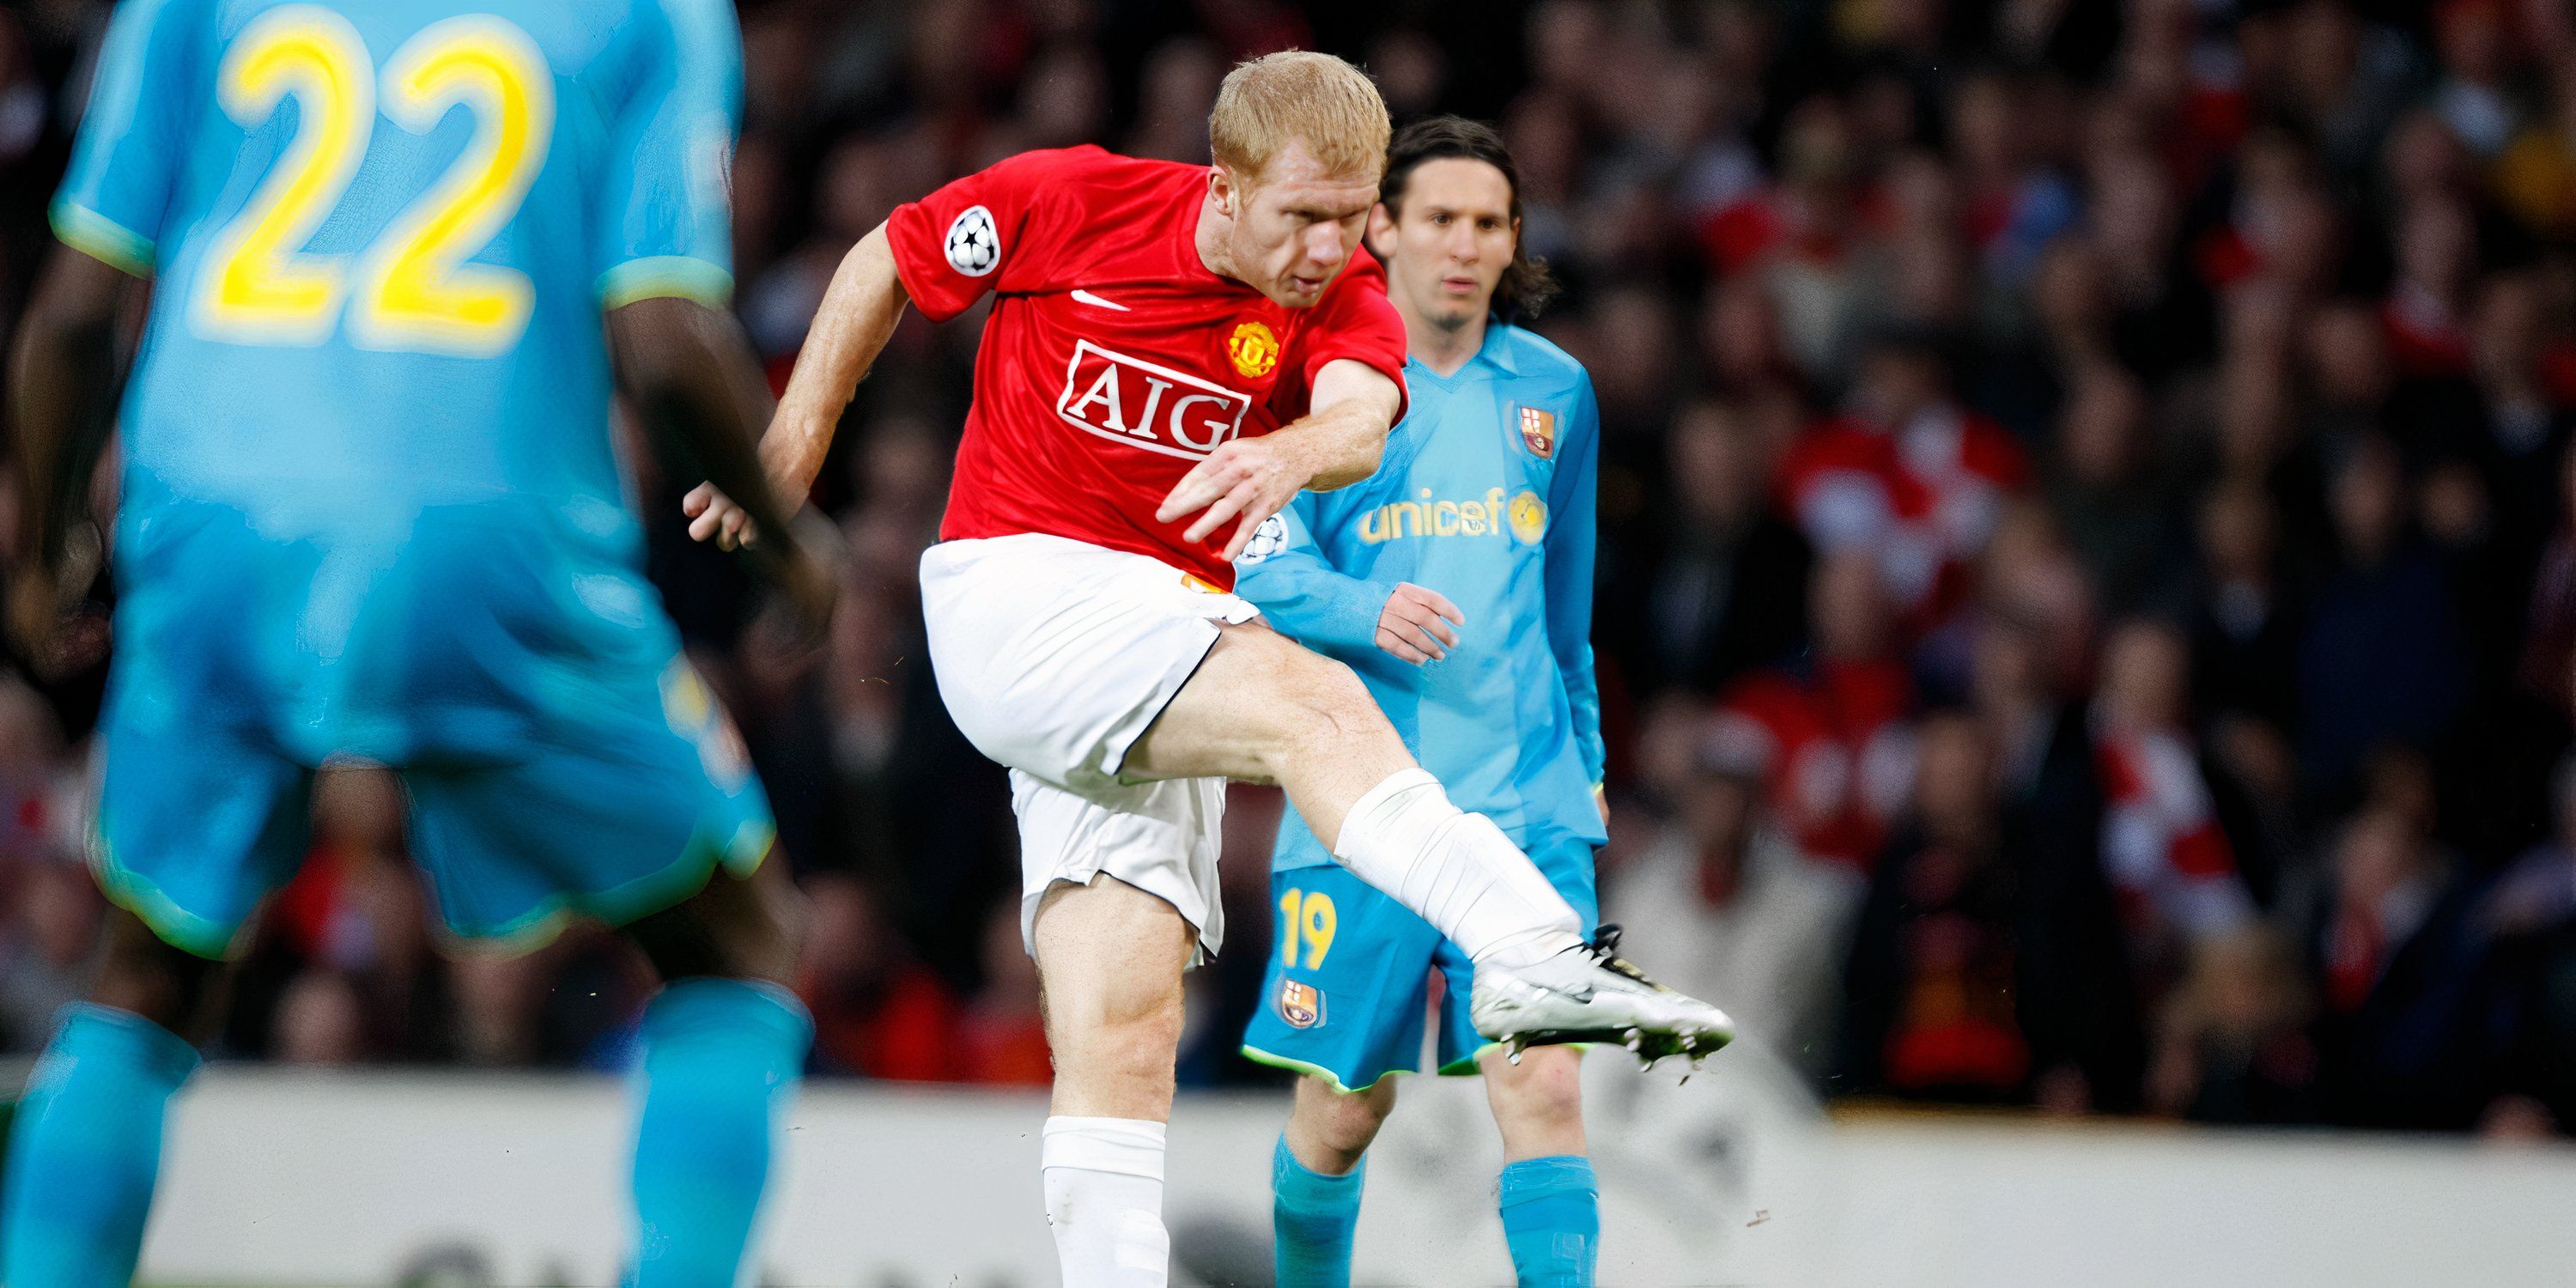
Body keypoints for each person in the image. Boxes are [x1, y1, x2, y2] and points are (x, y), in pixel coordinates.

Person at [687, 52, 1731, 1287]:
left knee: (1125, 1041)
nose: (1328, 247)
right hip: (1019, 589)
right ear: (1223, 185)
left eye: (1351, 221)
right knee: (1320, 706)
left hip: (1160, 638)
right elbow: (886, 260)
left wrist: (1290, 455)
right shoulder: (1074, 200)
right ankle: (1536, 948)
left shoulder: (1341, 292)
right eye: (1302, 217)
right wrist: (795, 441)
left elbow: (1358, 416)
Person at [1, 2, 829, 1285]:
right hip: (484, 532)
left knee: (146, 971)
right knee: (734, 948)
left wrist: (44, 545)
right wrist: (794, 548)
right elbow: (666, 345)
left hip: (212, 520)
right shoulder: (654, 16)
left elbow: (68, 314)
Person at [1224, 116, 1612, 1288]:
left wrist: (1585, 767)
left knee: (1542, 1084)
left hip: (1529, 807)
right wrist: (1363, 611)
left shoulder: (1557, 390)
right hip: (1366, 803)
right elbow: (1258, 563)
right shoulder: (1317, 384)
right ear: (1382, 226)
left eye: (1490, 223)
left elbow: (1564, 612)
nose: (1467, 244)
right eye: (1441, 217)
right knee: (1344, 1113)